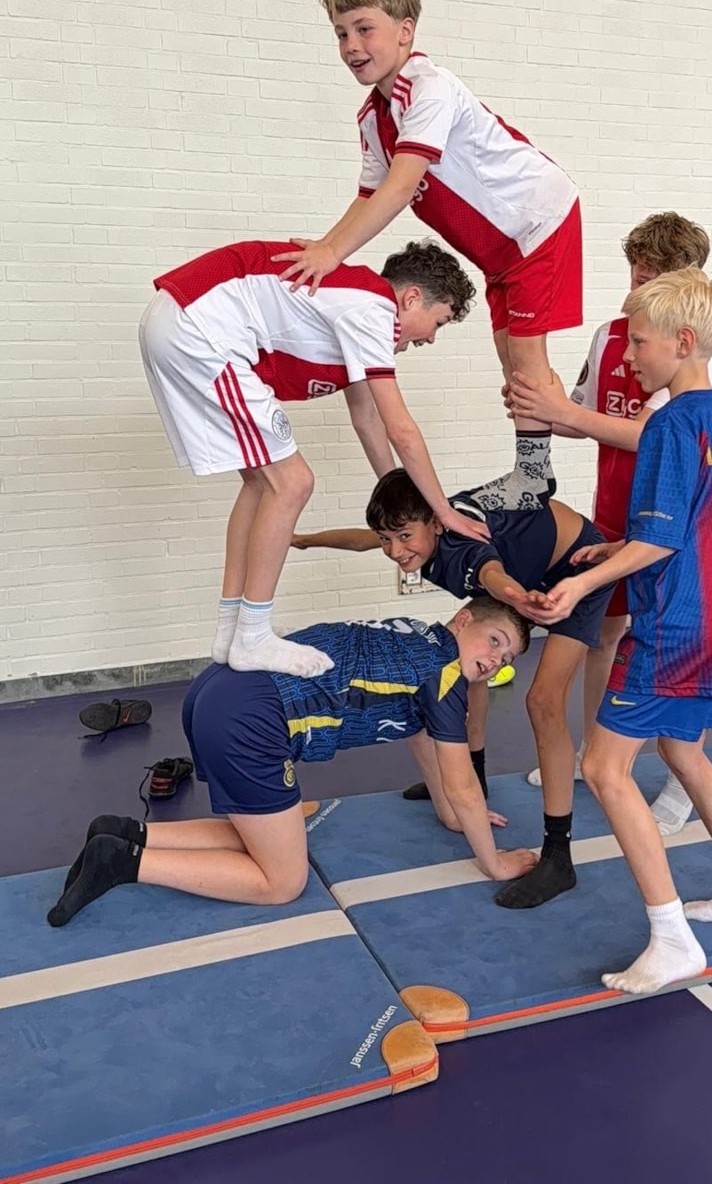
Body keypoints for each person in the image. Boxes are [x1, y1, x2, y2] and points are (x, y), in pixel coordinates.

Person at [530, 267, 712, 991]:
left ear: (683, 341)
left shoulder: (668, 422)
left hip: (675, 623)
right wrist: (617, 546)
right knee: (685, 752)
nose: (629, 355)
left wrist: (582, 582)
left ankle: (671, 938)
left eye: (639, 343)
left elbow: (664, 541)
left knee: (604, 770)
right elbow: (695, 521)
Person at [271, 0, 582, 514]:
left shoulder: (430, 88)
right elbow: (368, 196)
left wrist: (331, 252)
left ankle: (535, 477)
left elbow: (399, 188)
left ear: (405, 30)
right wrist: (325, 250)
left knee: (526, 360)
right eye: (341, 33)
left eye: (364, 28)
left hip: (538, 222)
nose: (351, 45)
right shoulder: (374, 115)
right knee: (511, 363)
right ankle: (550, 441)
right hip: (499, 251)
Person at [47, 599, 537, 927]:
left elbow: (421, 736)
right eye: (495, 641)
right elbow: (464, 785)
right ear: (463, 620)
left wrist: (451, 815)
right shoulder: (445, 674)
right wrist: (493, 863)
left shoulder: (415, 634)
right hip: (251, 717)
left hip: (218, 689)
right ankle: (124, 862)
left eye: (507, 658)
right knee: (282, 880)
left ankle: (127, 832)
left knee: (264, 835)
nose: (496, 661)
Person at [139, 237, 489, 678]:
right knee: (293, 482)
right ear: (411, 298)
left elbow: (368, 419)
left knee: (262, 483)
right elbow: (401, 429)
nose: (432, 338)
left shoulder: (354, 309)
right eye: (438, 322)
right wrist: (445, 512)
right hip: (199, 328)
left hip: (178, 321)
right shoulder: (375, 308)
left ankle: (232, 629)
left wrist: (404, 501)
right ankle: (253, 635)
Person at [293, 466, 614, 909]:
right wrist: (304, 539)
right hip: (521, 569)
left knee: (543, 701)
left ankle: (559, 855)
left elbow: (491, 573)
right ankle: (474, 779)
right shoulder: (420, 531)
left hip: (576, 564)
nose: (394, 550)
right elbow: (363, 538)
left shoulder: (463, 550)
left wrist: (516, 596)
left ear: (436, 524)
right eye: (388, 539)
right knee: (464, 665)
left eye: (404, 537)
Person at [509, 212, 712, 836]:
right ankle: (591, 751)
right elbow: (583, 414)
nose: (638, 287)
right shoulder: (611, 336)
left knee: (673, 639)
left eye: (652, 278)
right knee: (602, 633)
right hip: (614, 507)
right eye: (635, 273)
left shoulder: (689, 351)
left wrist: (565, 412)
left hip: (672, 515)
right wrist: (539, 406)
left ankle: (684, 773)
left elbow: (653, 434)